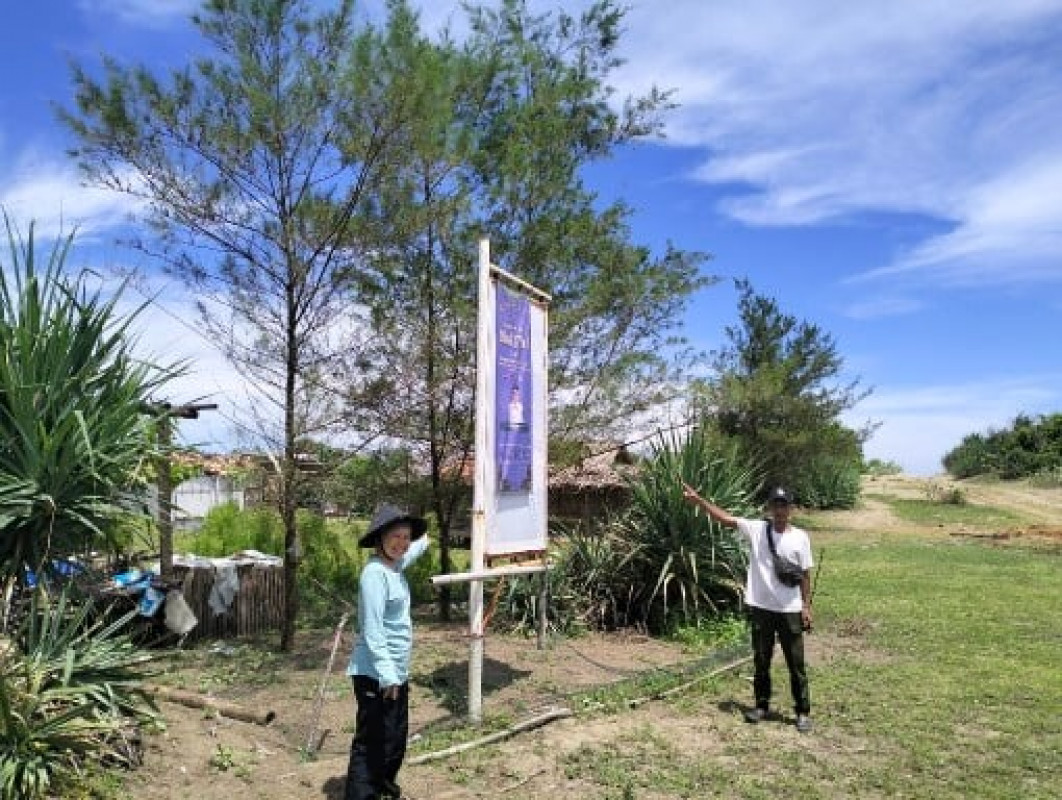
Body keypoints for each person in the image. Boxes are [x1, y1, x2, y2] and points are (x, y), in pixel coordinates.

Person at [682, 482, 815, 733]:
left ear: (791, 509)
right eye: (776, 504)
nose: (780, 510)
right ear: (770, 507)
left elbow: (805, 575)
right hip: (761, 608)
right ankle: (761, 706)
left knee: (795, 664)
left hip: (790, 610)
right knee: (761, 660)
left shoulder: (800, 537)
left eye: (784, 505)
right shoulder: (756, 529)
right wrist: (700, 502)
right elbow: (725, 519)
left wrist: (806, 607)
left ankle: (802, 712)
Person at [345, 504, 430, 800]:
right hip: (376, 674)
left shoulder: (395, 567)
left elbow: (416, 549)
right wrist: (388, 676)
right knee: (371, 741)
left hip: (396, 672)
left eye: (406, 537)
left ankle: (383, 786)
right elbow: (372, 630)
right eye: (395, 536)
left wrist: (424, 537)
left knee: (395, 737)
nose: (401, 543)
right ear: (380, 538)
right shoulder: (374, 575)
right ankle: (361, 794)